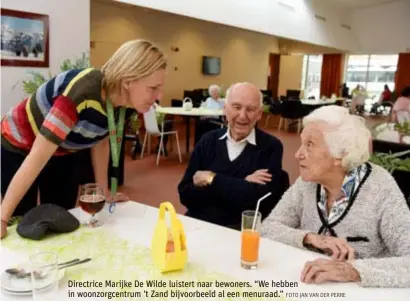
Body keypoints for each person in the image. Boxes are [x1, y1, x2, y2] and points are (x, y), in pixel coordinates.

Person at [1, 39, 167, 239]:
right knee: (21, 221)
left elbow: (102, 139)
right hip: (19, 143)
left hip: (63, 149)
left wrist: (105, 192)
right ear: (128, 81)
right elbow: (38, 156)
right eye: (153, 88)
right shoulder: (82, 93)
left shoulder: (125, 105)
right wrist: (2, 218)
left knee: (61, 217)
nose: (159, 95)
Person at [261, 106, 410, 288]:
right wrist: (310, 237)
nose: (297, 153)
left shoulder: (380, 188)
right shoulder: (306, 183)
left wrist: (352, 270)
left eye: (310, 144)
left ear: (340, 154)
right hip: (308, 286)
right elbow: (267, 228)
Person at [178, 82, 288, 229]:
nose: (242, 116)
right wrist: (244, 183)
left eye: (250, 109)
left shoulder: (271, 147)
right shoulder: (208, 141)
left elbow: (259, 203)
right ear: (225, 109)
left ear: (259, 114)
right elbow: (185, 195)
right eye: (236, 107)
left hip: (237, 230)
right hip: (197, 224)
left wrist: (210, 178)